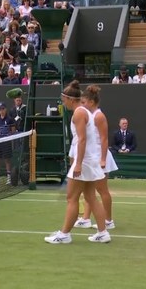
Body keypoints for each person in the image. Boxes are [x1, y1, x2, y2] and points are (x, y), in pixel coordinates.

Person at [44, 81, 110, 244]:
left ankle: (65, 234)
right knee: (90, 197)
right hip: (90, 160)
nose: (62, 102)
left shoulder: (79, 113)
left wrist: (78, 164)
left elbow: (82, 140)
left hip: (85, 161)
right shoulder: (82, 111)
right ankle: (103, 233)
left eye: (63, 99)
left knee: (71, 198)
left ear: (70, 99)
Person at [74, 85, 117, 230]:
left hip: (100, 156)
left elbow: (104, 139)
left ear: (91, 102)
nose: (82, 104)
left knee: (102, 190)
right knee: (89, 189)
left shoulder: (99, 116)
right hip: (92, 155)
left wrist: (103, 159)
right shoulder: (88, 115)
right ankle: (86, 218)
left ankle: (109, 221)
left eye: (84, 102)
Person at [0, 102, 15, 185]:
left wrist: (7, 137)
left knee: (7, 160)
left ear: (6, 109)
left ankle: (9, 178)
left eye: (3, 109)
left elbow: (12, 130)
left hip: (6, 142)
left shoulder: (10, 119)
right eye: (0, 109)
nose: (1, 111)